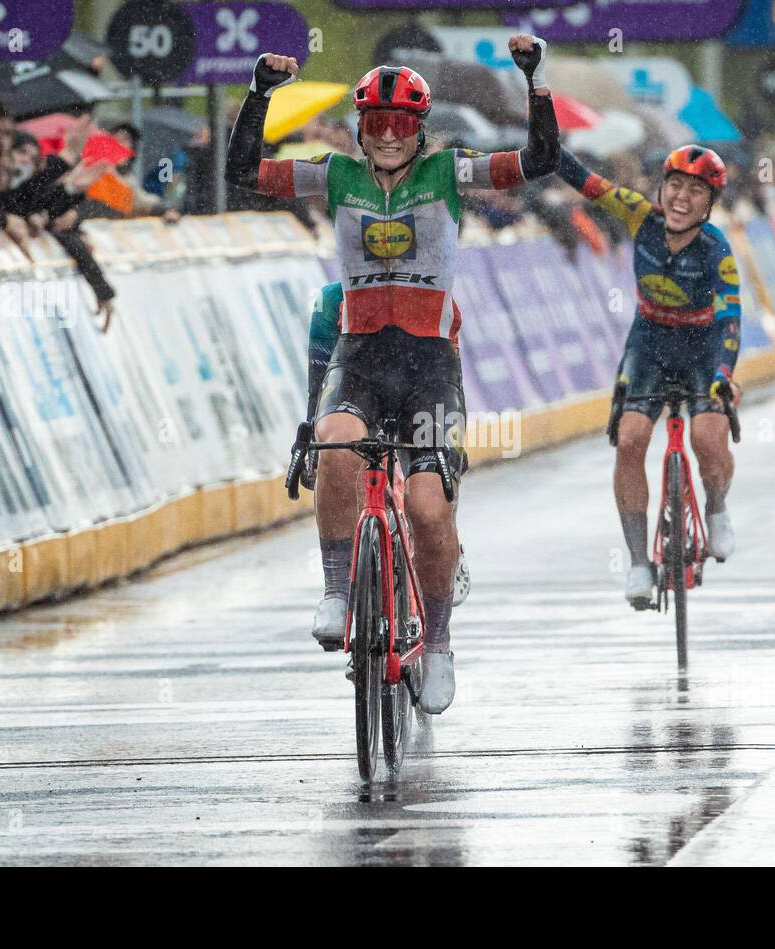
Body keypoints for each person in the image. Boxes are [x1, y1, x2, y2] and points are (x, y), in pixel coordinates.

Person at [226, 36, 557, 713]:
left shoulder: (450, 172)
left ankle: (436, 643)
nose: (386, 136)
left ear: (419, 130)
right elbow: (242, 174)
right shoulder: (335, 174)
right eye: (375, 124)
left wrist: (536, 82)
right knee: (338, 445)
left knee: (428, 507)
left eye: (400, 124)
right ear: (360, 129)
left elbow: (540, 161)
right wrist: (258, 95)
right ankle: (337, 591)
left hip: (430, 363)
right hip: (362, 355)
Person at [553, 143, 742, 607]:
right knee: (632, 437)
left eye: (695, 191)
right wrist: (547, 143)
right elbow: (589, 184)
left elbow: (731, 320)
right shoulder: (641, 216)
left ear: (710, 202)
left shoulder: (718, 250)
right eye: (675, 185)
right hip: (651, 343)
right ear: (661, 188)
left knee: (707, 436)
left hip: (702, 347)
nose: (681, 198)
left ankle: (717, 509)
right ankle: (639, 563)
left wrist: (722, 373)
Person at [303, 281, 471, 607]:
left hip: (420, 391)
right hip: (356, 394)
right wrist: (315, 444)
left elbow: (452, 388)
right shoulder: (330, 302)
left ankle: (449, 544)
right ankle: (341, 587)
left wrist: (455, 452)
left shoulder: (432, 299)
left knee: (429, 488)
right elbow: (318, 389)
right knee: (340, 455)